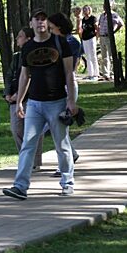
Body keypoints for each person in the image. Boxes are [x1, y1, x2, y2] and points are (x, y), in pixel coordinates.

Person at [2, 8, 78, 200]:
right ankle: (20, 186)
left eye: (44, 19)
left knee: (62, 144)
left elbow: (70, 74)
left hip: (57, 102)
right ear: (31, 24)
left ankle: (67, 182)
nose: (41, 22)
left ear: (48, 24)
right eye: (37, 19)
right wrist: (19, 101)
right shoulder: (27, 48)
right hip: (34, 104)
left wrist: (71, 101)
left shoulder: (60, 43)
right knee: (28, 144)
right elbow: (24, 76)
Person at [4, 27, 44, 171]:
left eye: (20, 36)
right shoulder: (16, 57)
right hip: (14, 99)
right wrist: (8, 94)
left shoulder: (35, 55)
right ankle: (25, 157)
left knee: (34, 130)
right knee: (16, 129)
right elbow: (9, 76)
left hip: (31, 98)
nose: (17, 39)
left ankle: (34, 162)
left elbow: (32, 78)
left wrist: (21, 95)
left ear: (28, 39)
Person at [47, 12, 81, 177]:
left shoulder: (70, 42)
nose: (49, 30)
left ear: (59, 27)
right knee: (58, 129)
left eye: (51, 27)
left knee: (59, 128)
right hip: (55, 87)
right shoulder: (54, 42)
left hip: (67, 87)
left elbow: (68, 68)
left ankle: (64, 165)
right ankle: (71, 155)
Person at [98, 3, 124, 81]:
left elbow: (120, 24)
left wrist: (113, 32)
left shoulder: (114, 14)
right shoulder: (102, 15)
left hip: (108, 37)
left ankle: (114, 73)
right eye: (104, 6)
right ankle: (106, 74)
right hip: (102, 37)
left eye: (106, 6)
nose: (104, 7)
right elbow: (99, 25)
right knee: (104, 57)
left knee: (111, 56)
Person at [81, 5, 100, 81]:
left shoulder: (93, 18)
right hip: (85, 39)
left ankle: (96, 74)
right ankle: (90, 74)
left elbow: (97, 28)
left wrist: (97, 37)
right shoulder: (83, 20)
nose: (85, 11)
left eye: (86, 9)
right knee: (88, 56)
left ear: (89, 10)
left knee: (93, 55)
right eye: (84, 9)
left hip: (91, 38)